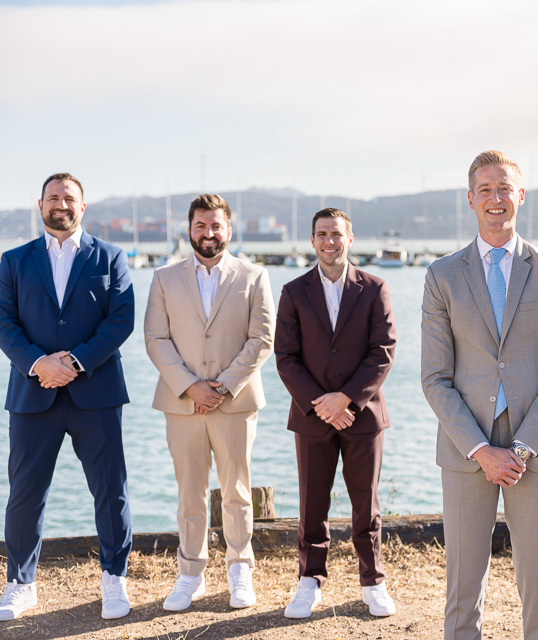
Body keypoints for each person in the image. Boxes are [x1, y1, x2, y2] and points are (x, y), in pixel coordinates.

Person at [421, 149, 538, 640]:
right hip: (467, 448)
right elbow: (435, 378)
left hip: (535, 447)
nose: (496, 198)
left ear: (520, 197)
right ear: (471, 199)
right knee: (463, 588)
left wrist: (522, 447)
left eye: (504, 188)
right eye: (485, 189)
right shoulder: (442, 275)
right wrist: (482, 450)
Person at [0, 173, 134, 621]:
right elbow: (4, 323)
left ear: (83, 205)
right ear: (40, 206)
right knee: (25, 492)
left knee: (110, 490)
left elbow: (120, 322)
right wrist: (40, 364)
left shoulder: (111, 257)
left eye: (69, 198)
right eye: (53, 198)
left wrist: (73, 363)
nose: (61, 204)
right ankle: (21, 582)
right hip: (32, 392)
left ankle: (114, 577)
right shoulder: (13, 261)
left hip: (96, 393)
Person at [143, 194, 274, 611]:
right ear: (190, 229)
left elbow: (262, 339)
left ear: (229, 230)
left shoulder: (254, 275)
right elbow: (155, 339)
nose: (209, 233)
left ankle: (240, 571)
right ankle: (190, 574)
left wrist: (221, 387)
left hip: (234, 403)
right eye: (201, 226)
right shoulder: (164, 278)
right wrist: (190, 386)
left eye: (216, 226)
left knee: (236, 490)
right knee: (190, 492)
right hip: (182, 403)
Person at [275, 208, 398, 619]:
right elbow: (286, 357)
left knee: (367, 504)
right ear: (313, 240)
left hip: (362, 415)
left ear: (350, 238)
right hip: (312, 417)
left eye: (337, 234)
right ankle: (309, 580)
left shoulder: (374, 287)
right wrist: (321, 403)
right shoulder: (293, 291)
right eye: (322, 234)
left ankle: (372, 580)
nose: (330, 241)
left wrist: (345, 399)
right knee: (312, 503)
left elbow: (382, 353)